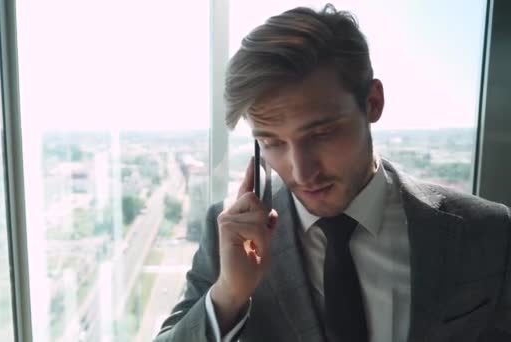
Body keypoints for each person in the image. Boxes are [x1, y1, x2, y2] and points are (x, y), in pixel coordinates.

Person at [154, 4, 511, 342]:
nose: (302, 171)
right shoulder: (229, 236)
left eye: (321, 134)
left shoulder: (486, 232)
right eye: (272, 142)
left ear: (372, 102)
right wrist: (228, 295)